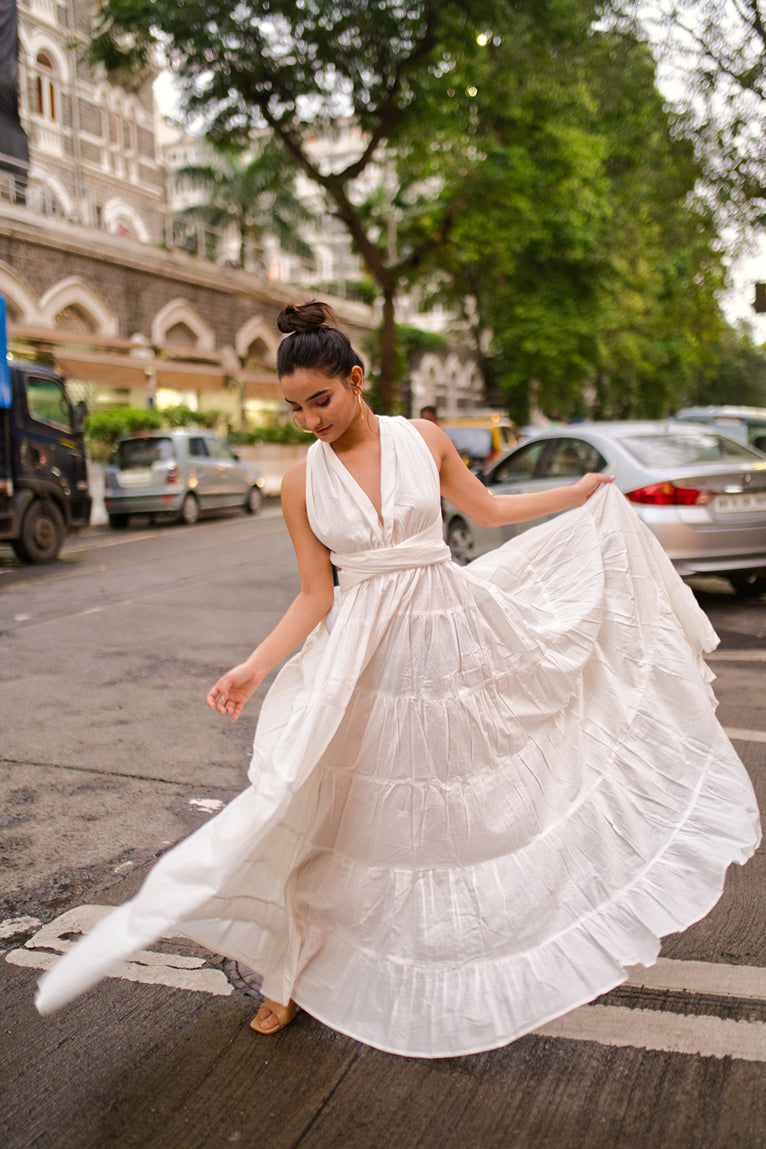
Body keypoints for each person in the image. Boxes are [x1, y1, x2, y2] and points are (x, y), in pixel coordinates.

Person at [35, 302, 761, 1059]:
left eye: (321, 399)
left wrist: (575, 495)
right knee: (330, 815)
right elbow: (317, 593)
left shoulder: (423, 439)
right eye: (294, 408)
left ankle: (465, 960)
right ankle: (287, 975)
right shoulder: (298, 483)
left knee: (470, 806)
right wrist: (254, 664)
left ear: (356, 379)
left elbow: (488, 507)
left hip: (453, 641)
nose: (310, 419)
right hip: (367, 659)